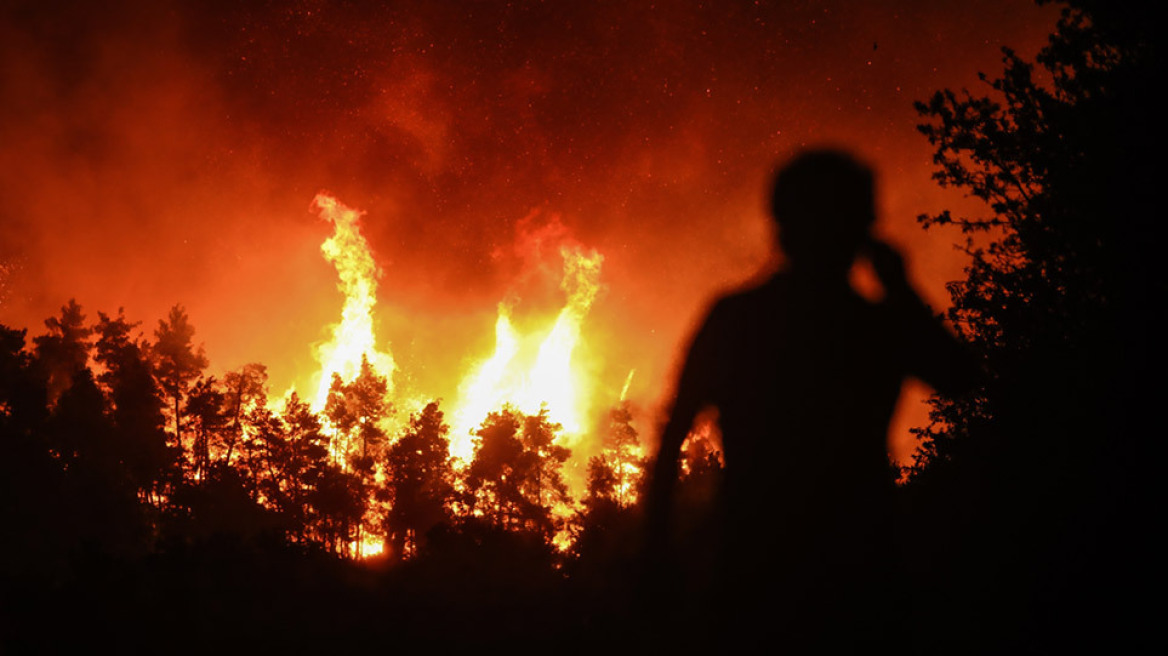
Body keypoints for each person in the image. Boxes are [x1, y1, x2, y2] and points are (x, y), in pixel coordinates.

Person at [644, 149, 979, 648]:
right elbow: (963, 379)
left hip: (756, 577)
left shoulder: (738, 318)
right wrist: (901, 289)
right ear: (863, 229)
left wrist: (656, 554)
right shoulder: (874, 326)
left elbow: (672, 438)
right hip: (860, 582)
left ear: (779, 224)